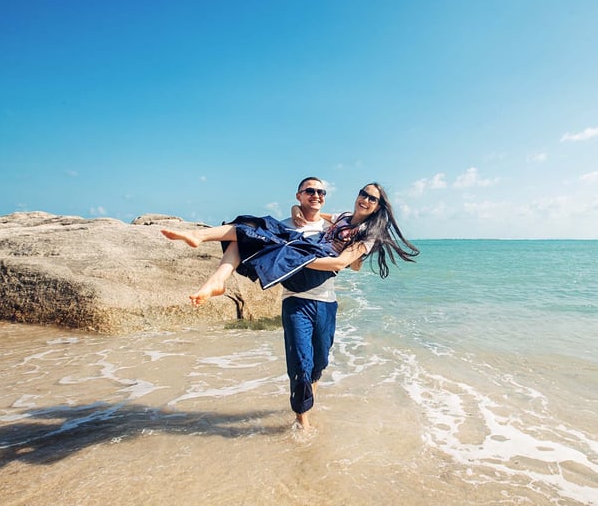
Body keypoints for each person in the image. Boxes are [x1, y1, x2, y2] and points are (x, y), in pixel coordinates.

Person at [161, 179, 419, 428]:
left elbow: (341, 263)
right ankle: (302, 420)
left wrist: (298, 260)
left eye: (373, 198)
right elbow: (316, 214)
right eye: (364, 193)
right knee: (251, 228)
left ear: (378, 206)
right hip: (298, 295)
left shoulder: (369, 235)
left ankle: (308, 403)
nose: (365, 199)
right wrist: (296, 210)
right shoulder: (340, 217)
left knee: (319, 364)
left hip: (322, 286)